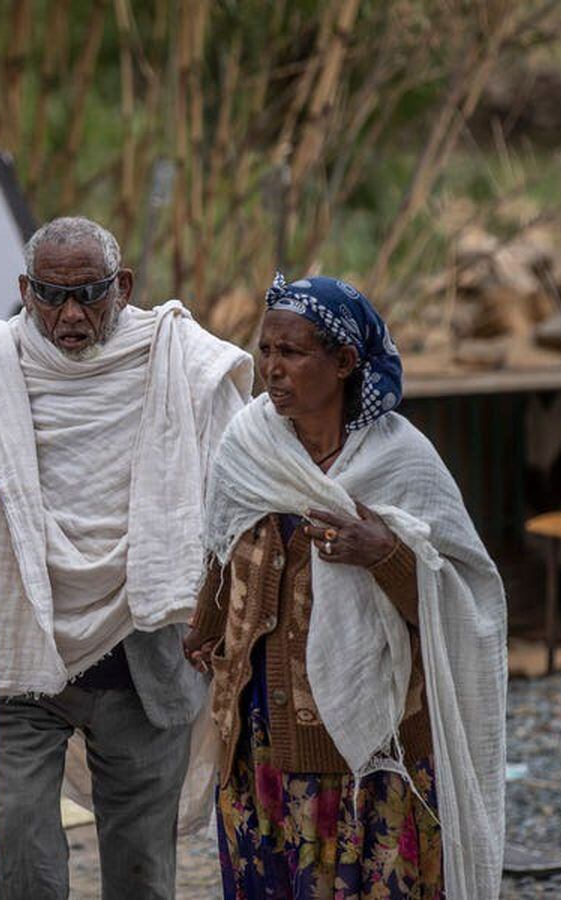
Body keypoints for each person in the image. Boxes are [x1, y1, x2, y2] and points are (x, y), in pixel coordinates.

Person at [0, 216, 253, 900]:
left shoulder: (179, 359)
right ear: (25, 290)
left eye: (91, 293)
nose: (73, 314)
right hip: (15, 655)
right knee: (21, 856)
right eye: (53, 296)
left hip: (143, 656)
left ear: (125, 287)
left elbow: (243, 488)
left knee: (142, 868)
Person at [186, 274, 506, 900]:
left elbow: (467, 607)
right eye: (267, 351)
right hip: (261, 743)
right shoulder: (248, 446)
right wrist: (206, 625)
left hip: (371, 756)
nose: (273, 369)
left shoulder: (403, 461)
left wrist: (385, 554)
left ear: (344, 362)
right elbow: (221, 547)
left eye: (293, 353)